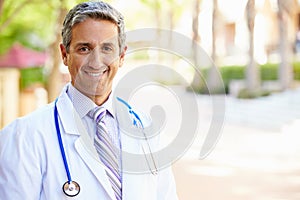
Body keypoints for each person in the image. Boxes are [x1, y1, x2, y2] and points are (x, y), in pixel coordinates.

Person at [0, 1, 178, 200]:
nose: (96, 61)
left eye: (107, 49)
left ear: (121, 56)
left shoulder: (146, 130)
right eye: (84, 49)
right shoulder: (23, 137)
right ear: (65, 54)